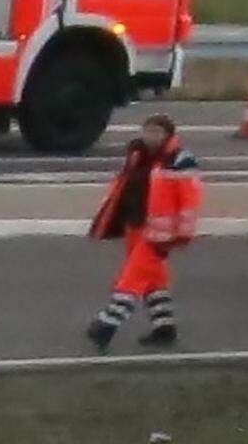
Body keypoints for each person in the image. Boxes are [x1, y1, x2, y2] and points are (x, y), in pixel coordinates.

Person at [85, 111, 201, 351]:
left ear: (168, 134)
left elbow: (190, 199)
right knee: (153, 280)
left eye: (156, 132)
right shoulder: (138, 155)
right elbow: (124, 186)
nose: (150, 136)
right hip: (134, 225)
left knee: (131, 278)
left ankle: (106, 325)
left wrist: (182, 233)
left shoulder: (179, 160)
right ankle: (165, 327)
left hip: (160, 234)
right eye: (147, 131)